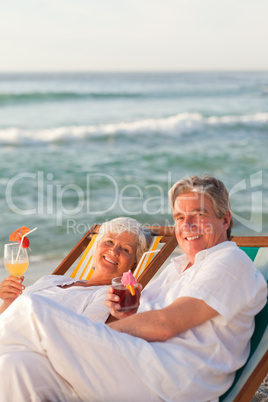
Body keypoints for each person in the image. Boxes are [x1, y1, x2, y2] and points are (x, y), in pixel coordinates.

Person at [0, 175, 266, 401]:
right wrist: (128, 314)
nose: (187, 225)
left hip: (170, 377)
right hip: (137, 364)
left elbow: (165, 324)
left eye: (199, 214)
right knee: (16, 366)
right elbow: (151, 319)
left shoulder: (230, 262)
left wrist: (95, 335)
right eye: (180, 217)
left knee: (31, 308)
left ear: (225, 219)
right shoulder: (179, 268)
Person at [0, 217, 151, 321]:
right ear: (96, 246)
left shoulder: (107, 296)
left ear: (133, 263)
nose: (114, 251)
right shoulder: (52, 280)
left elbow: (80, 337)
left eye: (125, 250)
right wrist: (8, 301)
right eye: (109, 241)